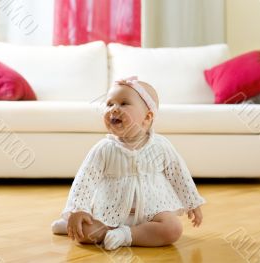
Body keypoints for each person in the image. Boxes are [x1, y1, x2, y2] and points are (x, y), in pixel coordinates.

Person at [51, 76, 206, 250]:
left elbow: (179, 175)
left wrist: (192, 202)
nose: (114, 109)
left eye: (124, 104)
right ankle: (72, 224)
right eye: (109, 104)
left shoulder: (161, 146)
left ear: (147, 117)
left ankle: (126, 235)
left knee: (173, 229)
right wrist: (78, 209)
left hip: (151, 213)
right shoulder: (103, 149)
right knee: (86, 232)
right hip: (108, 213)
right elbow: (84, 180)